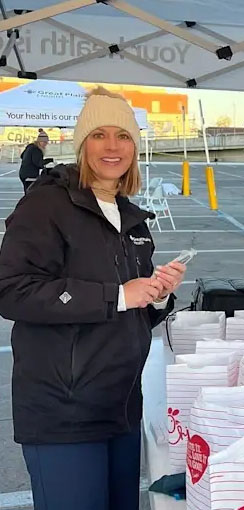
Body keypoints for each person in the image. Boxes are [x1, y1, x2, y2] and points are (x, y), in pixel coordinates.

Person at [0, 87, 187, 510]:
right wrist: (117, 295)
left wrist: (154, 296)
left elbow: (129, 306)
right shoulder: (45, 205)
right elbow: (11, 290)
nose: (112, 146)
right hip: (63, 412)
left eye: (122, 136)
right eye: (99, 135)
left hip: (119, 405)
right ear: (82, 144)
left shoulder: (130, 215)